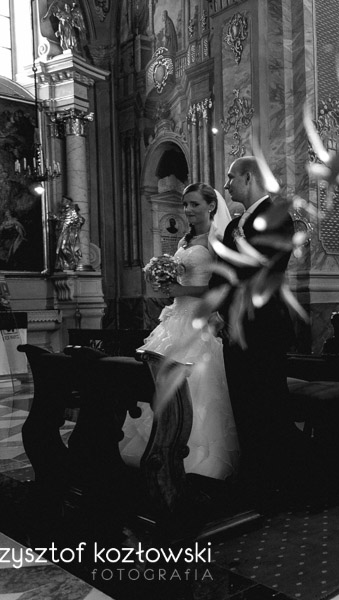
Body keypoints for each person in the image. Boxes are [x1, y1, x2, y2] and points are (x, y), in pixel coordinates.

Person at [121, 183, 239, 480]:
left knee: (196, 388)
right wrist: (165, 282)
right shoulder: (185, 239)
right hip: (175, 317)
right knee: (158, 384)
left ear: (211, 206)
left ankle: (196, 459)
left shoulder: (217, 239)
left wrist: (182, 289)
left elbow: (221, 286)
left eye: (194, 204)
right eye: (185, 204)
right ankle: (159, 450)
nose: (187, 210)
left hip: (199, 320)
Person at [216, 156, 297, 484]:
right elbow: (221, 273)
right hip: (232, 329)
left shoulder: (278, 217)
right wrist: (218, 311)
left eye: (231, 177)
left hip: (264, 326)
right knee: (242, 404)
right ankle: (252, 474)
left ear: (249, 178)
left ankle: (276, 479)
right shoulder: (233, 226)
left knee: (267, 403)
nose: (226, 185)